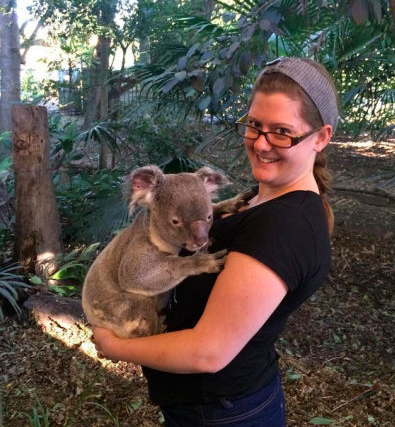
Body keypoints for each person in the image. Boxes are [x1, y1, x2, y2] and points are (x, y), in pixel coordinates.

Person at [92, 56, 339, 426]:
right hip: (212, 404)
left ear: (321, 137)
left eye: (282, 132)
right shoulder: (261, 197)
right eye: (254, 125)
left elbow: (208, 353)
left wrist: (115, 347)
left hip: (223, 412)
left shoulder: (283, 227)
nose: (261, 143)